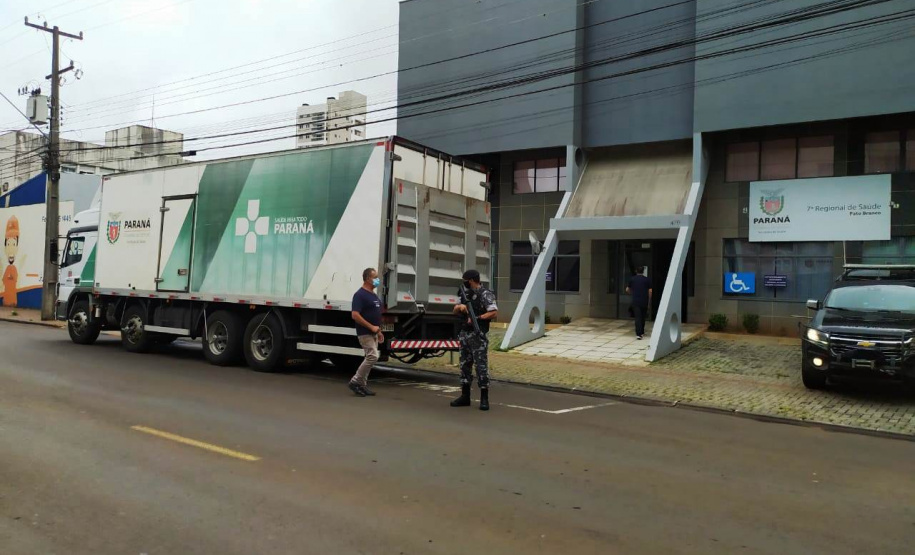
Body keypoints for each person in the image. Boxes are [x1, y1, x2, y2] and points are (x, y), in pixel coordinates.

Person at [450, 269, 498, 411]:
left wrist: (478, 317)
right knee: (465, 365)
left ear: (471, 280)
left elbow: (494, 312)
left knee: (481, 366)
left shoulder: (485, 294)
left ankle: (484, 398)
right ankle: (465, 396)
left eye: (465, 280)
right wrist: (461, 307)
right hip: (465, 334)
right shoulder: (464, 294)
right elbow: (454, 310)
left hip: (478, 335)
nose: (464, 282)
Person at [349, 267, 383, 397]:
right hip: (365, 332)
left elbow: (376, 314)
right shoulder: (360, 295)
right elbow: (355, 315)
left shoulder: (373, 295)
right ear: (368, 278)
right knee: (373, 356)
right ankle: (355, 381)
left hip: (374, 333)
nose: (377, 280)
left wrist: (379, 331)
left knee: (370, 357)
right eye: (375, 277)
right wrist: (371, 327)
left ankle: (362, 386)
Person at [626, 266, 652, 340]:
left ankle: (638, 334)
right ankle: (642, 332)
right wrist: (649, 301)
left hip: (635, 301)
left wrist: (632, 293)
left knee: (638, 317)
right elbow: (650, 291)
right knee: (643, 317)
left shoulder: (632, 279)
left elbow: (627, 289)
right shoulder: (647, 280)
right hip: (644, 301)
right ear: (643, 271)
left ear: (636, 271)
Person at [2, 216, 21, 307]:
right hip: (8, 296)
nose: (10, 249)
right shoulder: (8, 268)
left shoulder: (13, 269)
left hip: (12, 296)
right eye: (8, 244)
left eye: (13, 244)